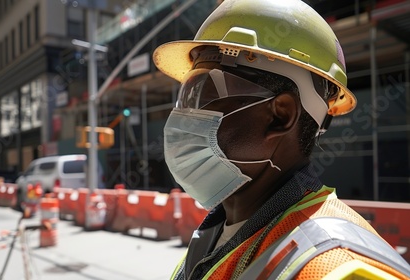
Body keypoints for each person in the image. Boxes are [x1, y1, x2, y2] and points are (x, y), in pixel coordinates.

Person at [153, 0, 410, 279]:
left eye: (206, 94)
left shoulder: (338, 266)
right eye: (187, 94)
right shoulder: (214, 237)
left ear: (280, 116)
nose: (184, 115)